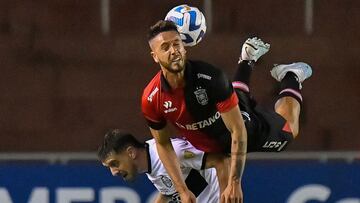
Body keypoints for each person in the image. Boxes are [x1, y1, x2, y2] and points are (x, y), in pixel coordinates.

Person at [141, 20, 312, 203]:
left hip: (237, 129)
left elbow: (238, 130)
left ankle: (291, 76)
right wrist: (182, 191)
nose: (173, 51)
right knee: (235, 96)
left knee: (288, 132)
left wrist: (234, 183)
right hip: (219, 125)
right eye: (165, 47)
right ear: (155, 56)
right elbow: (163, 144)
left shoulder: (210, 77)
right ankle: (247, 59)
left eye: (176, 44)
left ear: (184, 47)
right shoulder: (151, 98)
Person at [97, 129, 225, 203]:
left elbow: (221, 161)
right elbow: (168, 191)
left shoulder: (174, 152)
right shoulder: (148, 162)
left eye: (114, 163)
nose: (113, 172)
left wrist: (231, 188)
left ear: (131, 152)